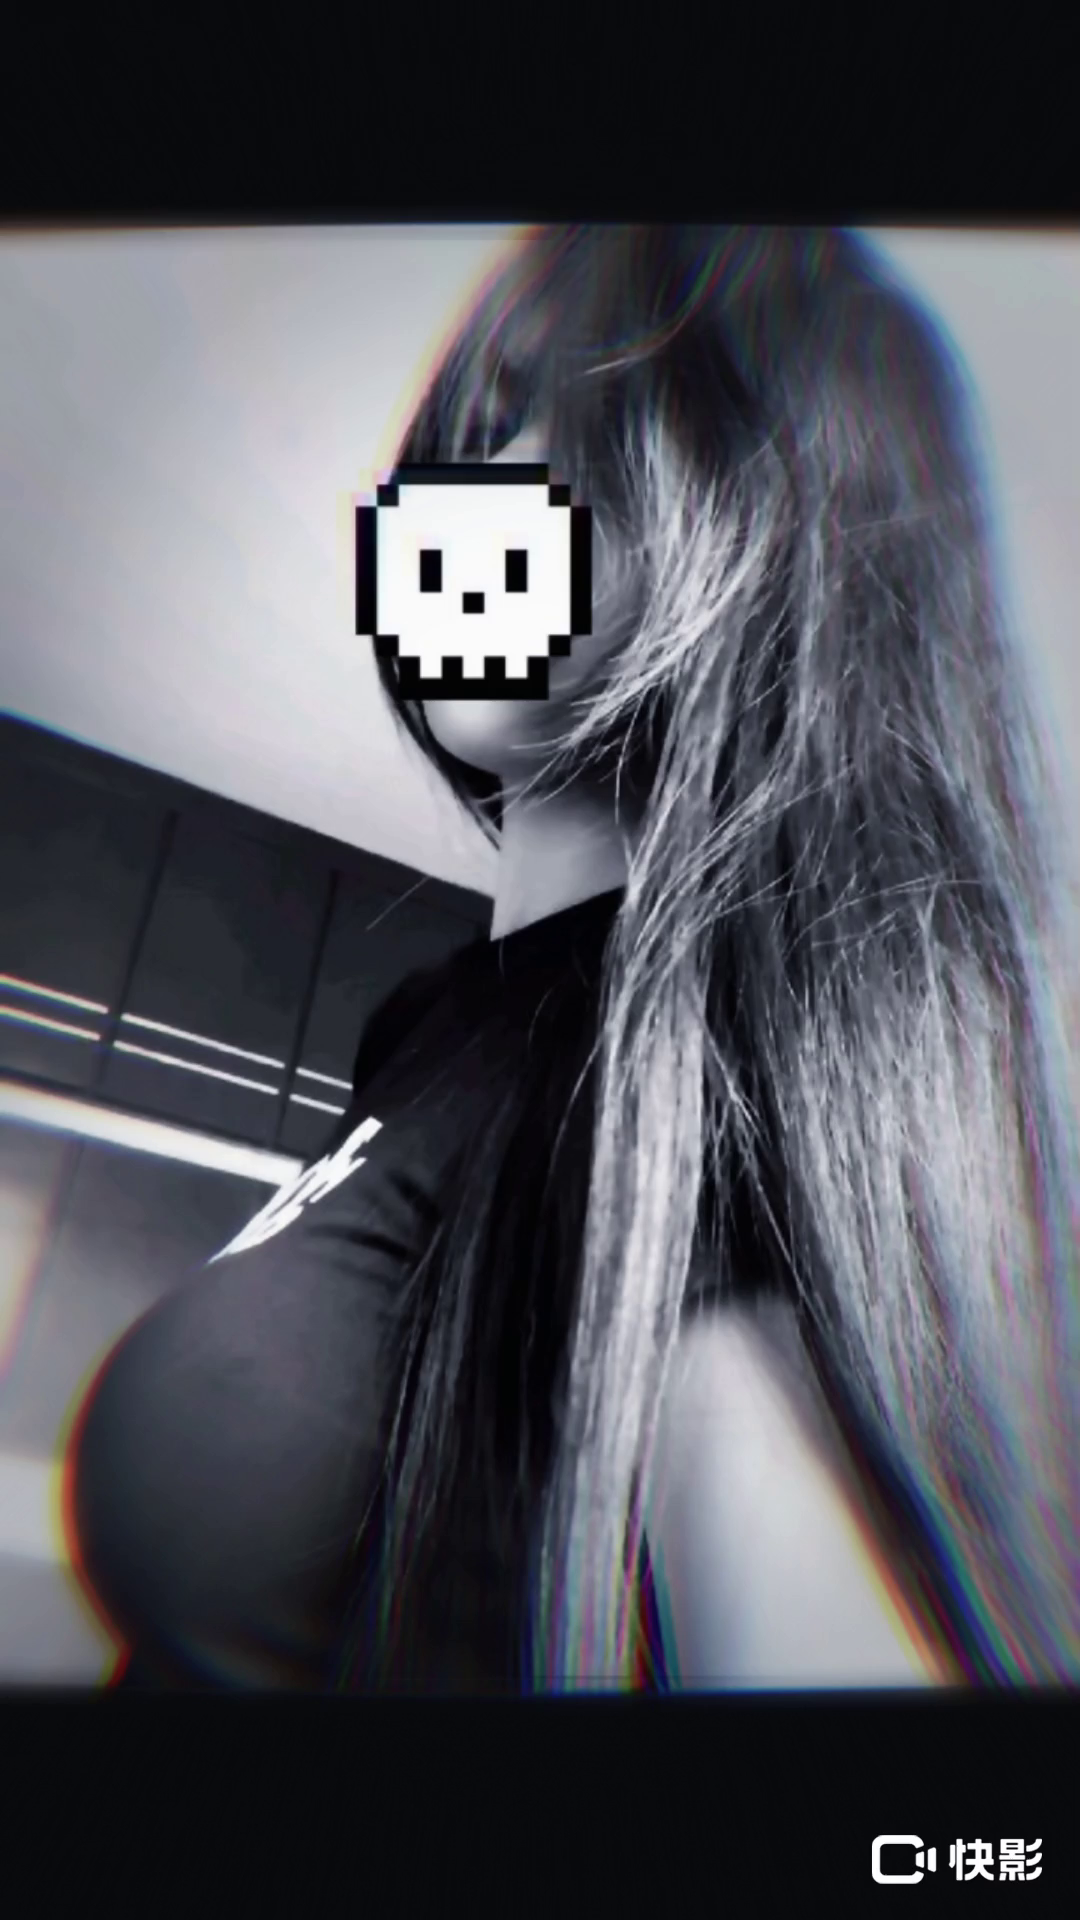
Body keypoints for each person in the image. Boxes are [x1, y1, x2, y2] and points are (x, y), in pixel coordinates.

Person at [67, 225, 1080, 1692]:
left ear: (774, 524)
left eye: (587, 433)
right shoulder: (429, 1025)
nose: (475, 490)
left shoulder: (708, 1076)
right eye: (486, 425)